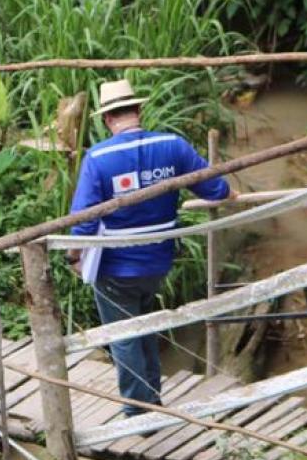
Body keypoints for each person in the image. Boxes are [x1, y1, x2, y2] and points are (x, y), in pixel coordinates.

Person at [66, 79, 232, 414]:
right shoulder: (173, 146)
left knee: (124, 335)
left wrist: (73, 257)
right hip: (159, 261)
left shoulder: (98, 158)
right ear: (139, 110)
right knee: (146, 323)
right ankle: (152, 398)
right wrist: (230, 193)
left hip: (115, 266)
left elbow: (83, 221)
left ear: (107, 118)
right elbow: (217, 189)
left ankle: (136, 411)